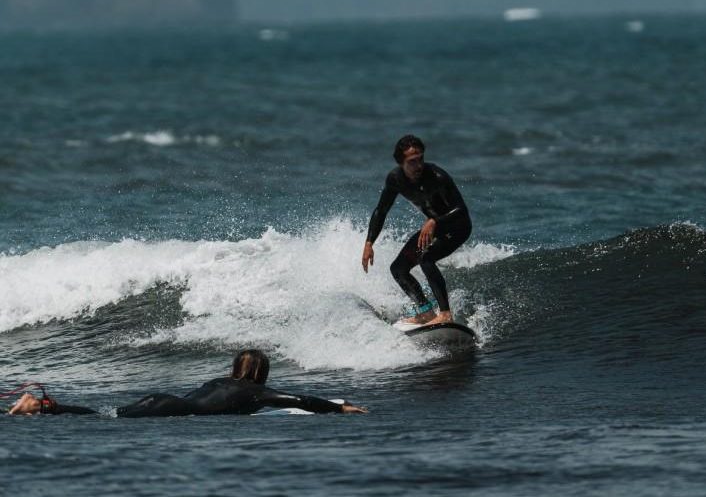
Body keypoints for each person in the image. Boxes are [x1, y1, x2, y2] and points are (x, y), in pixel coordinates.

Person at [5, 349, 367, 417]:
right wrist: (339, 406)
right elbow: (300, 399)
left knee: (105, 415)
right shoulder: (257, 392)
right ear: (261, 373)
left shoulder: (219, 380)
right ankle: (40, 405)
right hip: (171, 408)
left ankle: (44, 406)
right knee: (103, 418)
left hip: (166, 400)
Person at [362, 135, 471, 325]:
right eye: (412, 162)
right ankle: (426, 312)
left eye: (421, 158)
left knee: (426, 259)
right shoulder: (395, 179)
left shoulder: (437, 176)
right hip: (435, 228)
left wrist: (434, 221)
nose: (419, 165)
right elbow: (381, 210)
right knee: (398, 269)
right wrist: (369, 242)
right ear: (400, 162)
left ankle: (445, 314)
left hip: (457, 226)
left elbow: (461, 210)